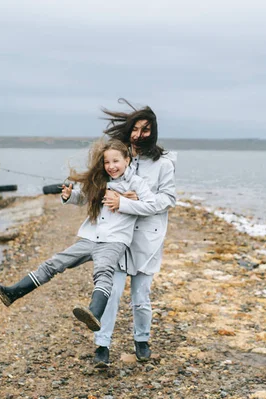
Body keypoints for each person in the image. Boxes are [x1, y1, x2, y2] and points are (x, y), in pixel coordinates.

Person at [0, 139, 156, 332]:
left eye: (116, 161)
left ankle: (94, 313)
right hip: (90, 237)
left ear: (127, 159)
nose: (111, 166)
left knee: (103, 272)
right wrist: (69, 196)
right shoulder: (100, 180)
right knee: (54, 263)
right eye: (107, 162)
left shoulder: (136, 183)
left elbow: (152, 206)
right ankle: (13, 293)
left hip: (114, 240)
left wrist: (123, 203)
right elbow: (84, 197)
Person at [92, 101, 176, 367]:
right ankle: (101, 346)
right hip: (117, 235)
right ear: (129, 131)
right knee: (112, 293)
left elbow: (167, 200)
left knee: (141, 297)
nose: (140, 135)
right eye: (136, 129)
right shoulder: (118, 158)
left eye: (146, 129)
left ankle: (142, 340)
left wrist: (132, 200)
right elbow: (99, 187)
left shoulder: (163, 164)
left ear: (154, 132)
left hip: (147, 238)